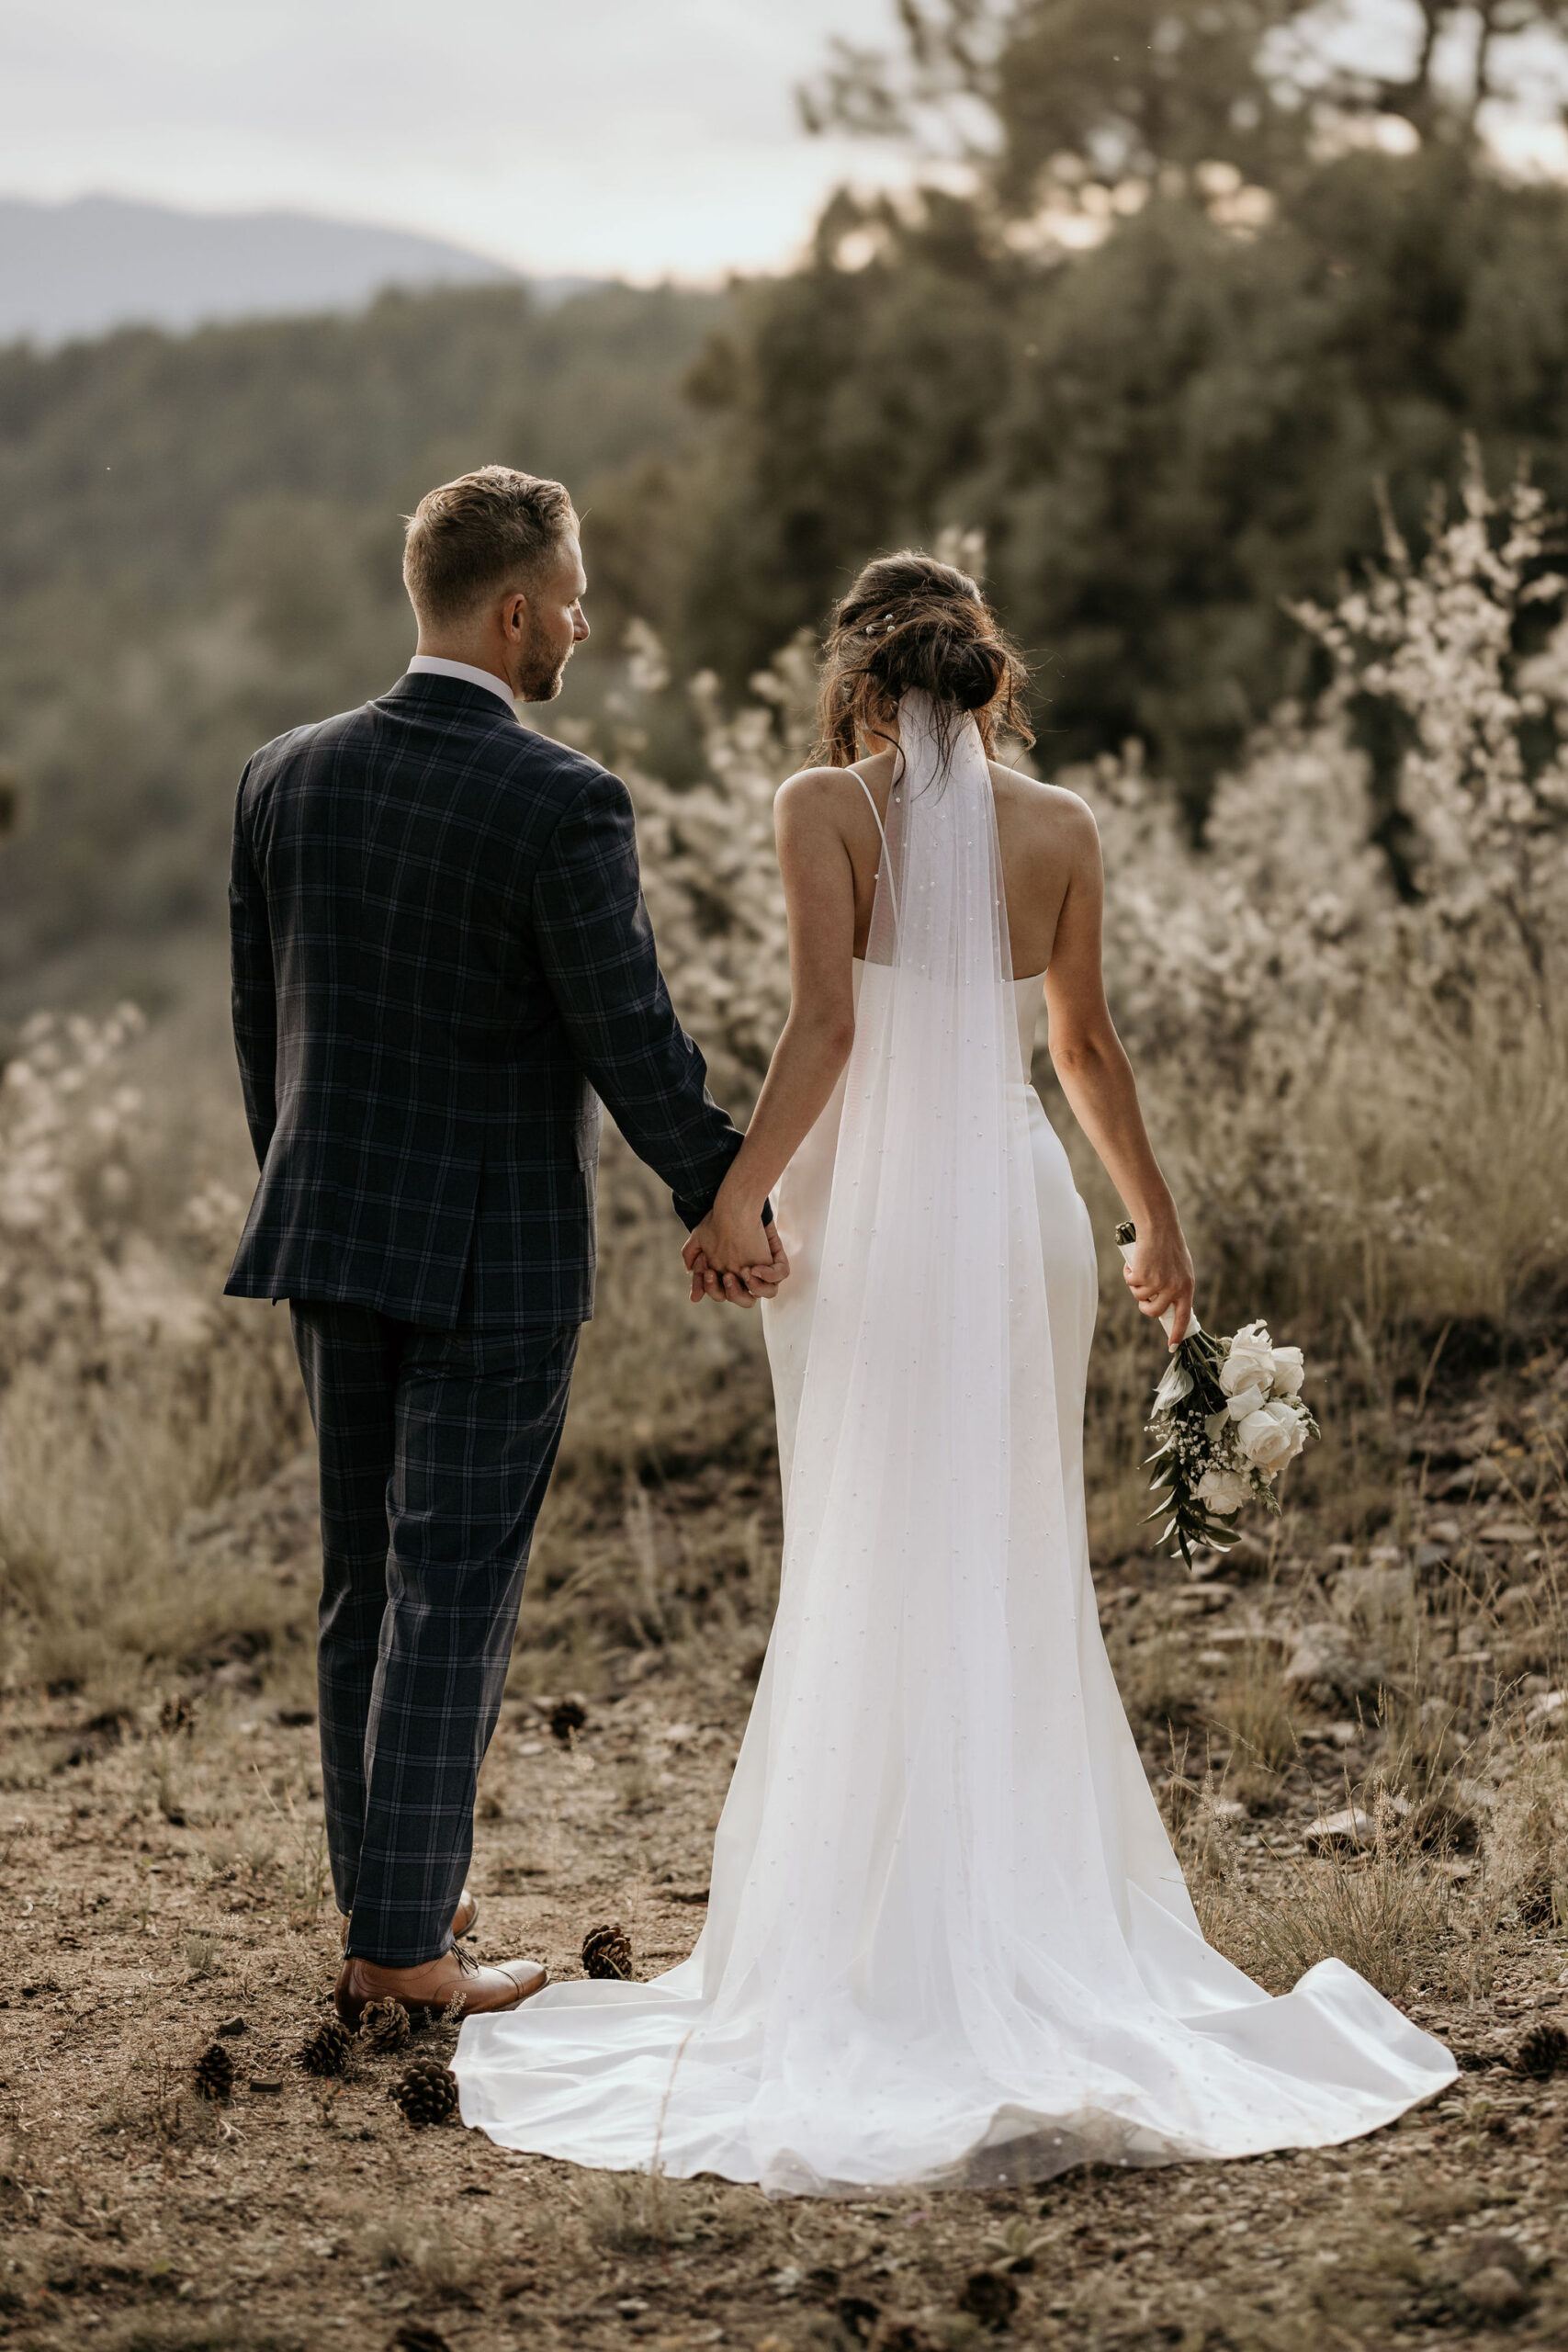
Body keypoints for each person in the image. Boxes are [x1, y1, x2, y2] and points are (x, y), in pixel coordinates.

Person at [453, 551, 1454, 2193]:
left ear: (857, 674)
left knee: (860, 1549)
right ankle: (1018, 1913)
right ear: (989, 675)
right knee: (1007, 1561)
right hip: (1015, 1221)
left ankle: (873, 1932)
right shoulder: (1062, 828)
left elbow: (825, 1034)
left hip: (869, 1225)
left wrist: (732, 1197)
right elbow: (1085, 1050)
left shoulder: (821, 806)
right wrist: (1159, 1231)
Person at [225, 465, 784, 2030]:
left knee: (360, 1588)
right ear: (519, 609)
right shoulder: (563, 799)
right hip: (492, 1258)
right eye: (577, 598)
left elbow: (263, 1036)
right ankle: (402, 1952)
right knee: (452, 1587)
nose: (587, 625)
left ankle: (390, 1890)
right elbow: (633, 1041)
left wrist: (307, 1182)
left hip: (328, 1235)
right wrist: (724, 1193)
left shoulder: (284, 775)